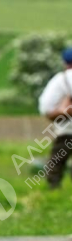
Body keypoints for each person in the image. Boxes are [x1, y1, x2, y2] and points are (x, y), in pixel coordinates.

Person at [38, 48, 72, 189]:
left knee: (57, 161)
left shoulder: (61, 79)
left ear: (65, 62)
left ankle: (54, 188)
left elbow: (45, 107)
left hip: (66, 129)